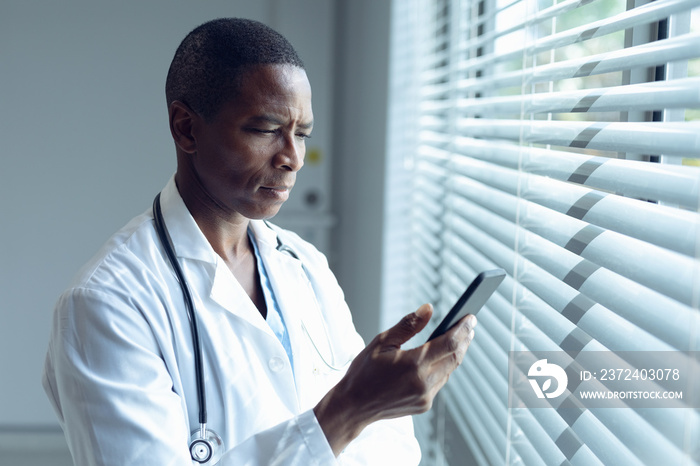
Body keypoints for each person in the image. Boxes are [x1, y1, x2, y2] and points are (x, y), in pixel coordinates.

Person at [42, 18, 478, 465]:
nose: (292, 158)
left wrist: (374, 401)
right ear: (186, 128)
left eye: (302, 134)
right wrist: (349, 409)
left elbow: (384, 444)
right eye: (266, 130)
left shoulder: (304, 264)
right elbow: (350, 416)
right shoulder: (105, 304)